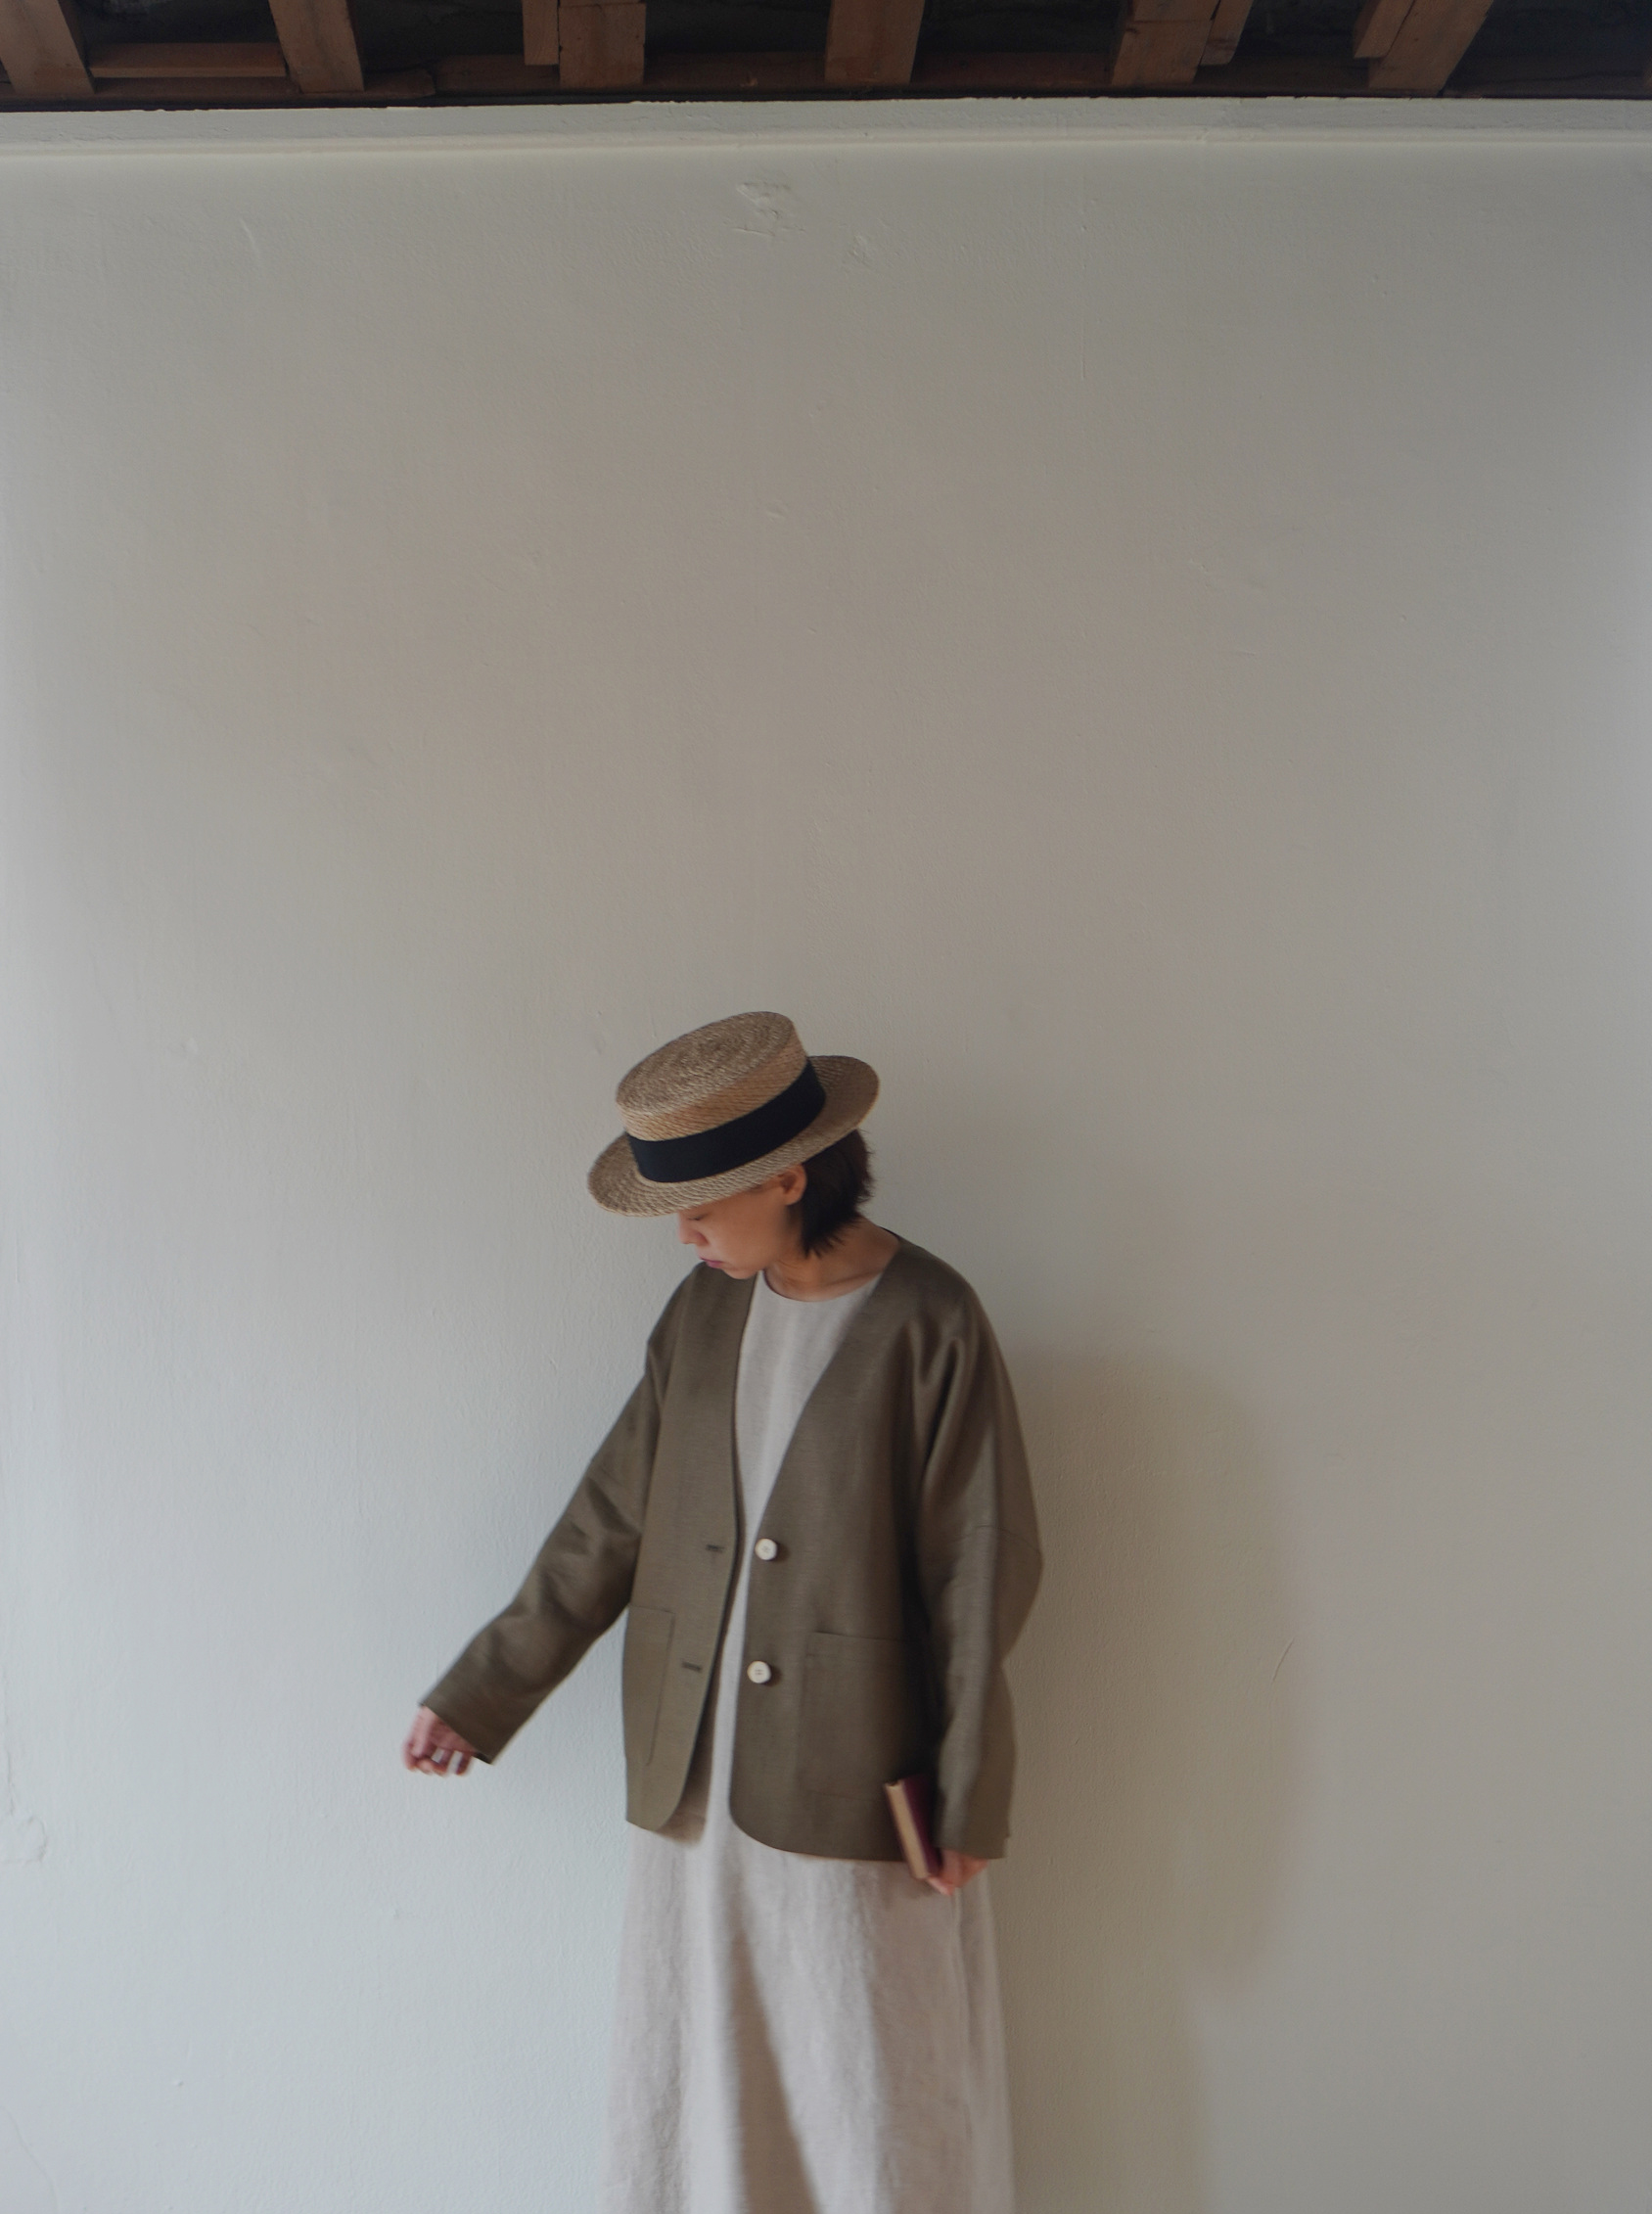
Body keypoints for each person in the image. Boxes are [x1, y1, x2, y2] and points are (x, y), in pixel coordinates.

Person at [403, 1010, 1041, 2214]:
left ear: (788, 1178)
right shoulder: (699, 1316)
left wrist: (967, 1789)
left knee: (865, 2067)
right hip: (694, 1778)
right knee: (698, 2063)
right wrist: (479, 1694)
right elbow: (609, 1520)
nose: (682, 1234)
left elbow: (979, 1562)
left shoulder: (930, 1321)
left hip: (858, 1778)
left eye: (697, 1206)